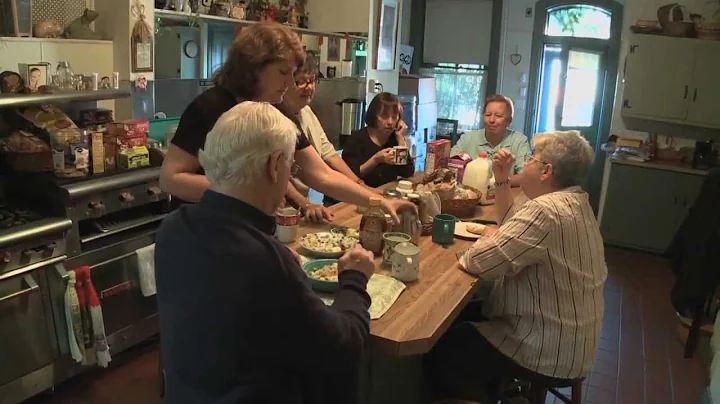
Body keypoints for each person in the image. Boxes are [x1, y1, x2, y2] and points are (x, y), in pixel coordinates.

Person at [155, 102, 375, 403]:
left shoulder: (172, 230)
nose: (288, 176)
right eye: (290, 167)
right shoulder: (267, 262)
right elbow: (344, 346)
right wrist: (354, 278)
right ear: (274, 166)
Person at [159, 23, 411, 222]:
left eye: (293, 74)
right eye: (283, 72)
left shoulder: (278, 112)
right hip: (204, 230)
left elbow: (322, 175)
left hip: (249, 229)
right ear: (253, 68)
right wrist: (246, 190)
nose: (290, 83)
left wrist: (379, 202)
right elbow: (171, 179)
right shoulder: (209, 107)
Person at [426, 130, 607, 403]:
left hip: (545, 348)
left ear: (546, 171)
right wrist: (501, 177)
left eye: (531, 159)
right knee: (457, 317)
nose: (526, 164)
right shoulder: (575, 201)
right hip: (572, 341)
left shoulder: (547, 210)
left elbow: (479, 262)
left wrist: (489, 239)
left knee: (448, 347)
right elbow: (513, 226)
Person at [281, 53, 377, 223]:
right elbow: (280, 176)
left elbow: (330, 155)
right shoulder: (276, 119)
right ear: (285, 83)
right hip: (281, 209)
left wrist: (360, 185)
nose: (308, 87)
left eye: (312, 80)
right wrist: (306, 205)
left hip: (301, 208)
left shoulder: (306, 112)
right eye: (300, 82)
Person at [450, 95, 530, 186]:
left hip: (504, 195)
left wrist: (494, 183)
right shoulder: (467, 138)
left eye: (498, 116)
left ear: (509, 121)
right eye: (488, 115)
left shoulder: (519, 141)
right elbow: (450, 166)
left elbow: (526, 177)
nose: (491, 120)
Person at [341, 92, 415, 188]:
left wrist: (400, 138)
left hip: (385, 193)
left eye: (394, 117)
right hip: (359, 194)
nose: (390, 122)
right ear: (374, 116)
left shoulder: (395, 138)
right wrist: (376, 160)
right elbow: (350, 176)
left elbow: (407, 172)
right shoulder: (357, 139)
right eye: (384, 116)